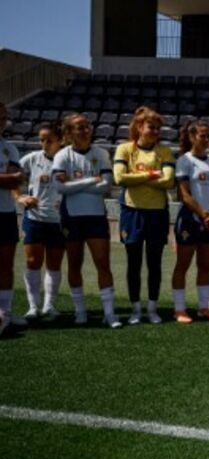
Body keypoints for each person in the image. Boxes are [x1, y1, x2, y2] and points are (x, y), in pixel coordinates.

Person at [54, 113, 121, 328]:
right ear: (69, 133)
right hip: (71, 217)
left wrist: (75, 183)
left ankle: (109, 314)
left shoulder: (100, 153)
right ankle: (80, 312)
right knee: (74, 264)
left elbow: (107, 186)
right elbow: (59, 187)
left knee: (103, 264)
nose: (85, 130)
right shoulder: (62, 156)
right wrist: (93, 179)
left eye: (87, 126)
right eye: (79, 127)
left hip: (96, 217)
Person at [114, 106, 175, 325]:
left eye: (159, 128)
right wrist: (151, 174)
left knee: (155, 263)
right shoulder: (124, 149)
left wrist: (136, 176)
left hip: (157, 213)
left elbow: (168, 182)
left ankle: (152, 309)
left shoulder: (165, 151)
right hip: (132, 212)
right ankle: (135, 310)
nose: (156, 131)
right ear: (139, 127)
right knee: (134, 262)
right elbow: (119, 179)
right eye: (152, 127)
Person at [172, 120, 209, 323]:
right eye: (203, 135)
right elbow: (184, 194)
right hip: (190, 220)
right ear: (192, 137)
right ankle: (179, 309)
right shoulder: (184, 161)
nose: (207, 139)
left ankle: (204, 308)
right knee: (182, 264)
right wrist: (204, 215)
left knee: (206, 265)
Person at [18, 122, 65, 321]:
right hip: (34, 219)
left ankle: (49, 306)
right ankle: (32, 306)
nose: (44, 144)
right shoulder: (31, 159)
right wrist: (20, 197)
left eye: (49, 140)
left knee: (54, 264)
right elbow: (12, 178)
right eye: (41, 140)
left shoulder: (68, 160)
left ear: (60, 140)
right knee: (32, 262)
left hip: (59, 221)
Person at [0, 102, 26, 327]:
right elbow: (12, 177)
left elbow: (17, 179)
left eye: (3, 117)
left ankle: (5, 314)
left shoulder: (10, 148)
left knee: (6, 265)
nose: (2, 121)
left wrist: (10, 178)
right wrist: (8, 178)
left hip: (6, 213)